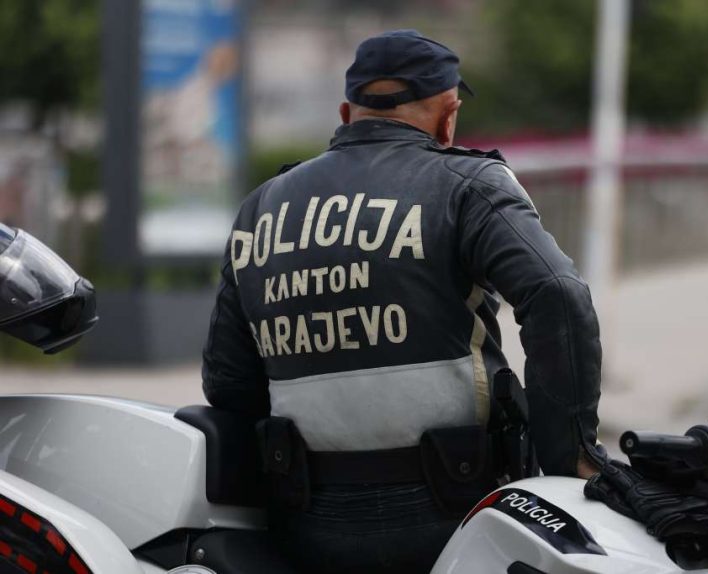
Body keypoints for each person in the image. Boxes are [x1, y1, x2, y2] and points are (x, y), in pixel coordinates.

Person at [201, 29, 605, 574]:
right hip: (456, 515)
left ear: (347, 113)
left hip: (306, 527)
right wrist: (569, 462)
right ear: (448, 115)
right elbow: (557, 293)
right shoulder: (467, 185)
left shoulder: (261, 208)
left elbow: (228, 380)